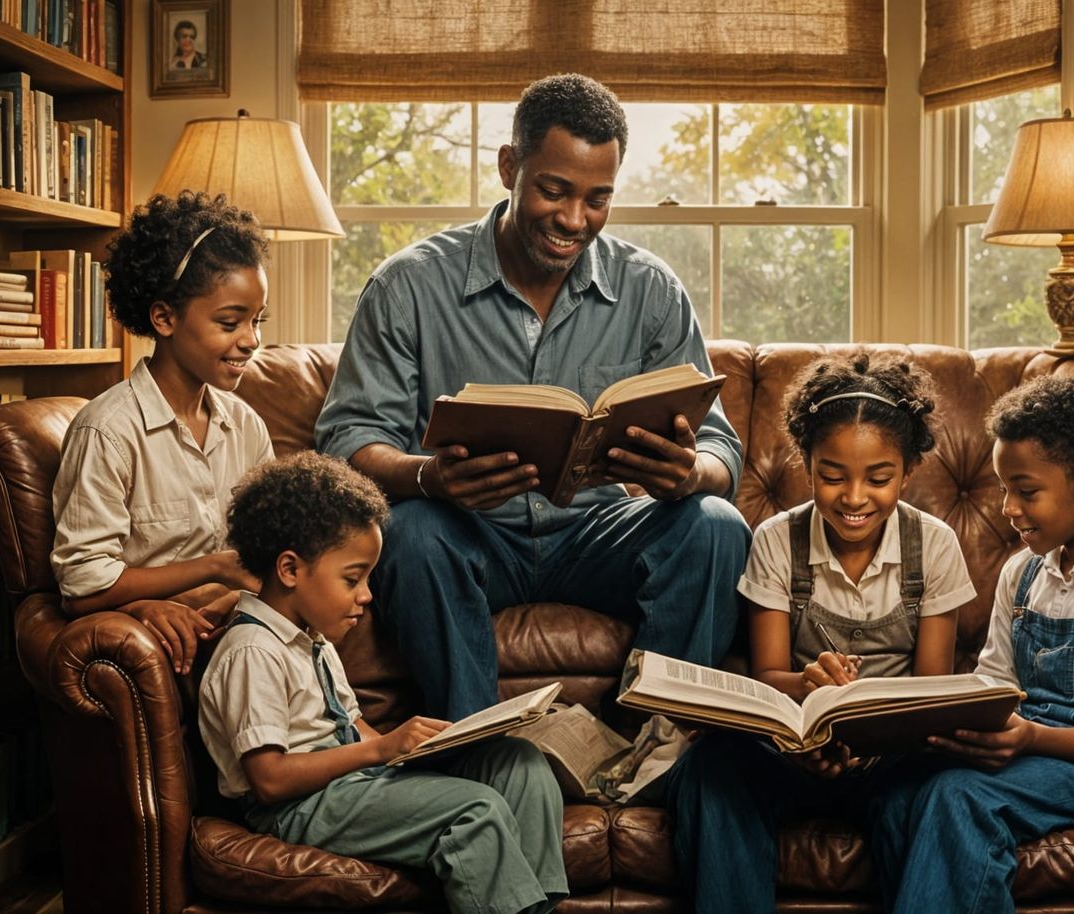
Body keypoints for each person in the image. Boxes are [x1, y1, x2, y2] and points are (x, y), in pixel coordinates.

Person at [315, 73, 749, 720]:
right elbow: (348, 441)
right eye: (554, 191)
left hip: (598, 532)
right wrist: (431, 478)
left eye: (598, 199)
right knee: (411, 533)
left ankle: (649, 747)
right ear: (509, 167)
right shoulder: (407, 287)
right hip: (470, 534)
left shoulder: (651, 291)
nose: (575, 220)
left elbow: (719, 447)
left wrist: (692, 473)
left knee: (716, 526)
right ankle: (477, 749)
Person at [869, 375, 1074, 914]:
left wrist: (1031, 740)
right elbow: (995, 682)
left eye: (1026, 491)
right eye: (1005, 490)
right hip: (1022, 747)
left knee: (958, 797)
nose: (1008, 507)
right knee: (898, 794)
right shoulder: (1022, 572)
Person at [666, 352, 977, 914]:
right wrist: (809, 694)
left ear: (908, 471)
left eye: (879, 479)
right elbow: (767, 676)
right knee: (709, 770)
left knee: (942, 787)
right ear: (806, 465)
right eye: (832, 476)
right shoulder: (776, 540)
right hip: (793, 752)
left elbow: (930, 693)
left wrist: (862, 741)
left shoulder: (933, 545)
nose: (854, 498)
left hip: (893, 757)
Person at [198, 452, 567, 914]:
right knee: (473, 809)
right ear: (290, 570)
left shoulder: (313, 639)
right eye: (353, 578)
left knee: (519, 765)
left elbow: (352, 725)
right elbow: (269, 780)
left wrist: (414, 750)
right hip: (298, 807)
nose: (367, 595)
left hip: (354, 782)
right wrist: (380, 749)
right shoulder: (253, 650)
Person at [51, 191, 273, 675]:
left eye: (258, 321)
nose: (252, 339)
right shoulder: (108, 432)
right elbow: (83, 583)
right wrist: (209, 571)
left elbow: (265, 552)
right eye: (230, 322)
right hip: (176, 653)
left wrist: (235, 593)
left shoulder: (246, 427)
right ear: (164, 318)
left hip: (240, 631)